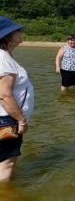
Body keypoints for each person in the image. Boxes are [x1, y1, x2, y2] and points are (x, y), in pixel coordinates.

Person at [0, 17, 34, 181]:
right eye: (17, 31)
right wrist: (21, 120)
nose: (20, 33)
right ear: (7, 36)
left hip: (6, 118)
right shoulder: (3, 59)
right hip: (7, 120)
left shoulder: (5, 56)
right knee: (7, 165)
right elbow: (4, 95)